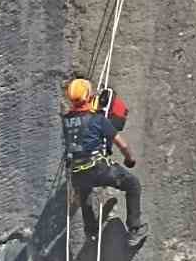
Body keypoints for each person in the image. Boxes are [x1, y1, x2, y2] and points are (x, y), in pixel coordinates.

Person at [60, 76, 148, 246]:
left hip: (77, 172)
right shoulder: (98, 120)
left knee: (84, 192)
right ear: (88, 96)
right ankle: (134, 230)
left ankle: (91, 233)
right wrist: (130, 159)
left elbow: (79, 127)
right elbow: (122, 145)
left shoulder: (66, 121)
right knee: (133, 184)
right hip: (99, 169)